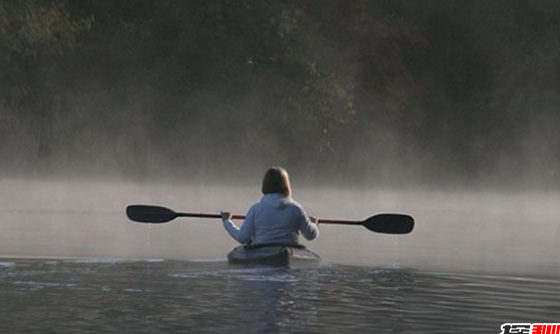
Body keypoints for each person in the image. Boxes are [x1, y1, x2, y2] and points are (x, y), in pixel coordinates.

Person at [221, 166, 319, 246]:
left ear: (265, 185)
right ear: (286, 185)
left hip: (261, 251)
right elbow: (310, 235)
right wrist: (313, 224)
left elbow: (242, 238)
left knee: (249, 243)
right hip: (289, 250)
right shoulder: (297, 209)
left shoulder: (256, 208)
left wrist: (227, 221)